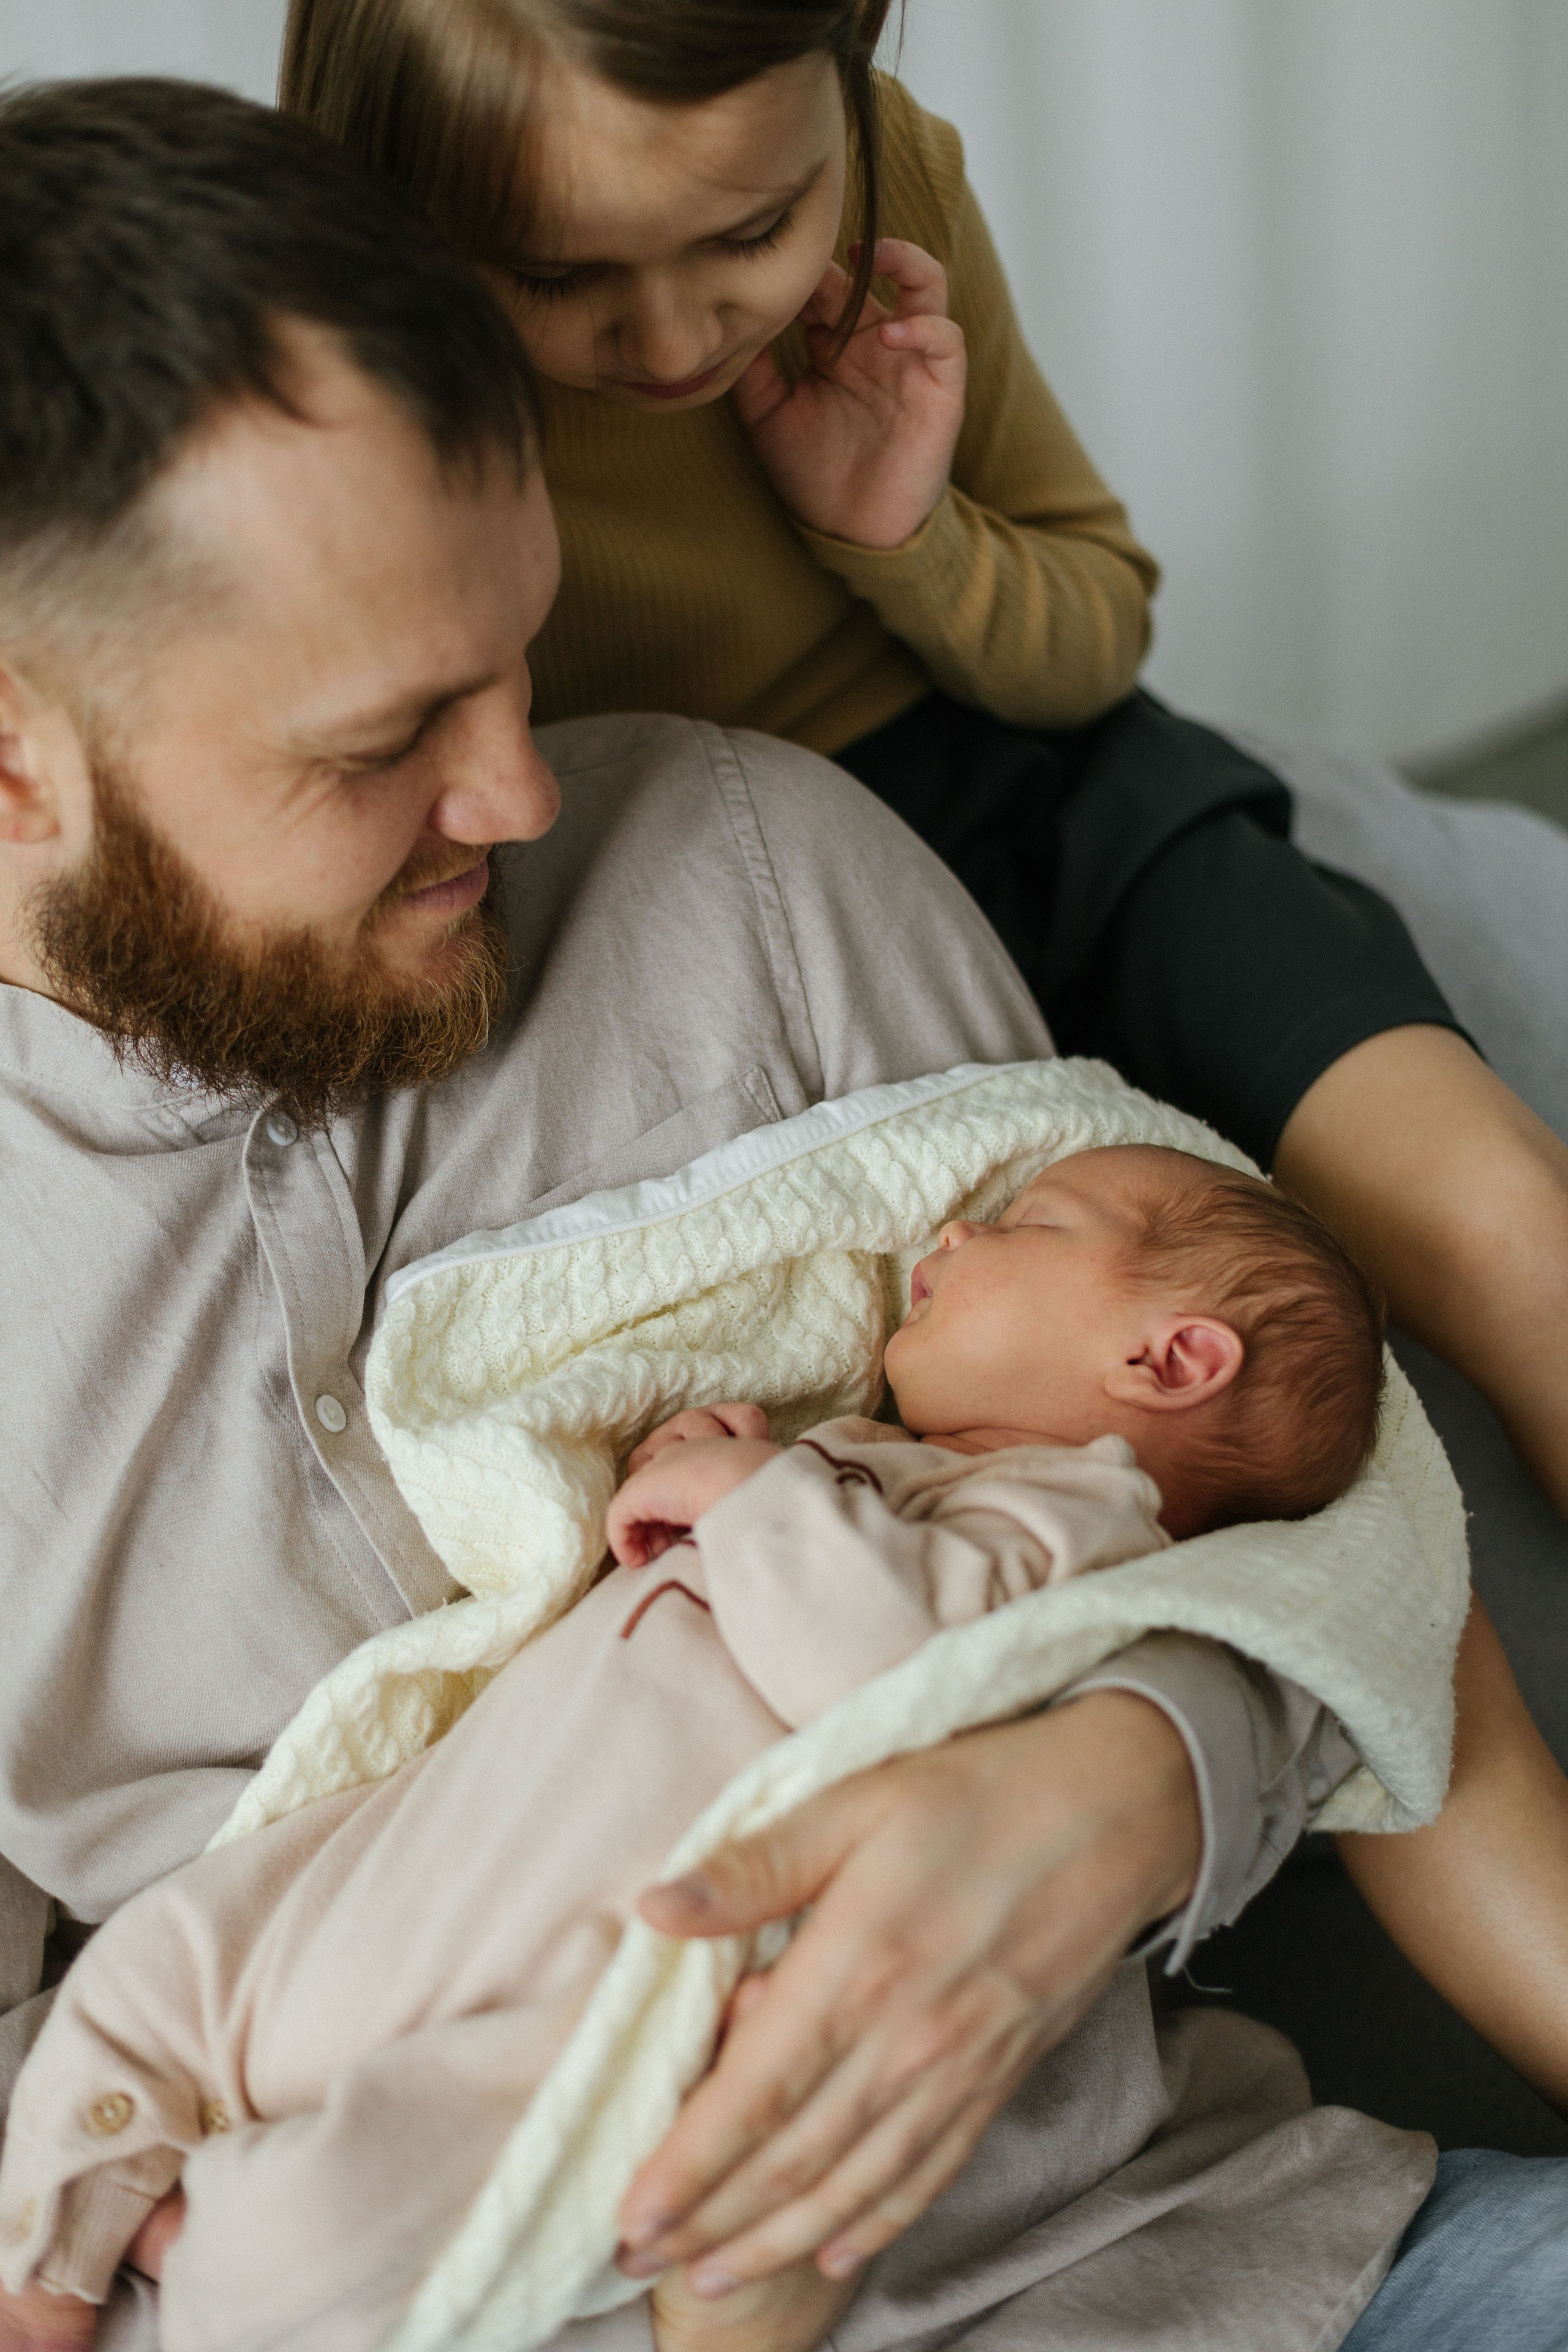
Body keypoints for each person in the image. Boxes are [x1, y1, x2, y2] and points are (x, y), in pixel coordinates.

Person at [0, 71, 1562, 2352]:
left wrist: (1128, 1776)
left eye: (523, 655)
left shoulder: (757, 876)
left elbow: (1301, 1512)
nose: (520, 790)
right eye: (384, 739)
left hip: (1189, 2265)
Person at [0, 1145, 1398, 2352]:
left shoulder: (1075, 1523)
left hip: (595, 1976)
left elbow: (887, 1668)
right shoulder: (869, 1459)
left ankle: (184, 2259)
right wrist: (705, 1478)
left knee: (335, 2233)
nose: (956, 1228)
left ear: (1167, 1359)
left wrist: (749, 1491)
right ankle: (56, 2258)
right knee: (161, 1959)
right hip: (429, 1865)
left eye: (1027, 1223)